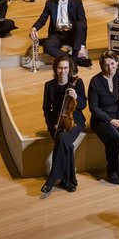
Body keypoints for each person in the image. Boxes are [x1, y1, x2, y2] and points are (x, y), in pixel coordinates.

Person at [87, 52, 119, 186]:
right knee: (114, 137)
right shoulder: (96, 81)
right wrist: (110, 121)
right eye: (106, 65)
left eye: (112, 64)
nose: (110, 68)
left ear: (117, 63)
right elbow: (93, 107)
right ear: (101, 66)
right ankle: (112, 169)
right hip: (102, 120)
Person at [40, 56, 85, 197]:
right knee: (66, 144)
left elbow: (83, 105)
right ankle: (70, 181)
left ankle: (52, 178)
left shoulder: (77, 83)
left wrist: (76, 97)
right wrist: (51, 124)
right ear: (55, 69)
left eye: (66, 68)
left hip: (75, 122)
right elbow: (46, 110)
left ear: (70, 69)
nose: (63, 71)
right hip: (57, 124)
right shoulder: (50, 86)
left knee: (63, 140)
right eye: (60, 68)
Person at [29, 0, 89, 65]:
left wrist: (82, 46)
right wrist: (34, 28)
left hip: (72, 33)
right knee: (48, 46)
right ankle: (73, 60)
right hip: (57, 34)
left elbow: (83, 22)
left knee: (80, 24)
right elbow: (43, 19)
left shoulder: (77, 2)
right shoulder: (50, 3)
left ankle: (74, 56)